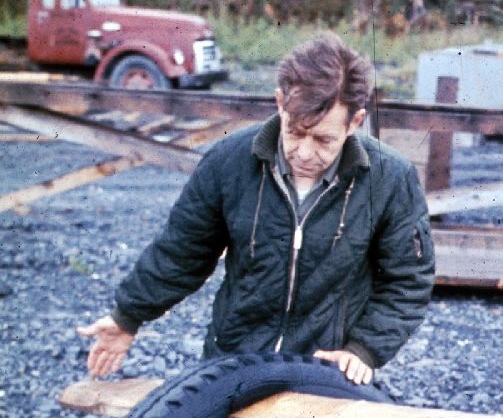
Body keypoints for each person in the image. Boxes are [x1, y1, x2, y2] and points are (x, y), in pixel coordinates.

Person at [78, 33, 435, 385]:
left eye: (324, 139)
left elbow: (408, 280)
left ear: (354, 122)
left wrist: (364, 349)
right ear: (280, 103)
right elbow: (181, 252)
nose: (305, 153)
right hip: (233, 357)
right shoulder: (228, 162)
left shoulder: (390, 178)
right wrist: (128, 318)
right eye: (295, 133)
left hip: (326, 368)